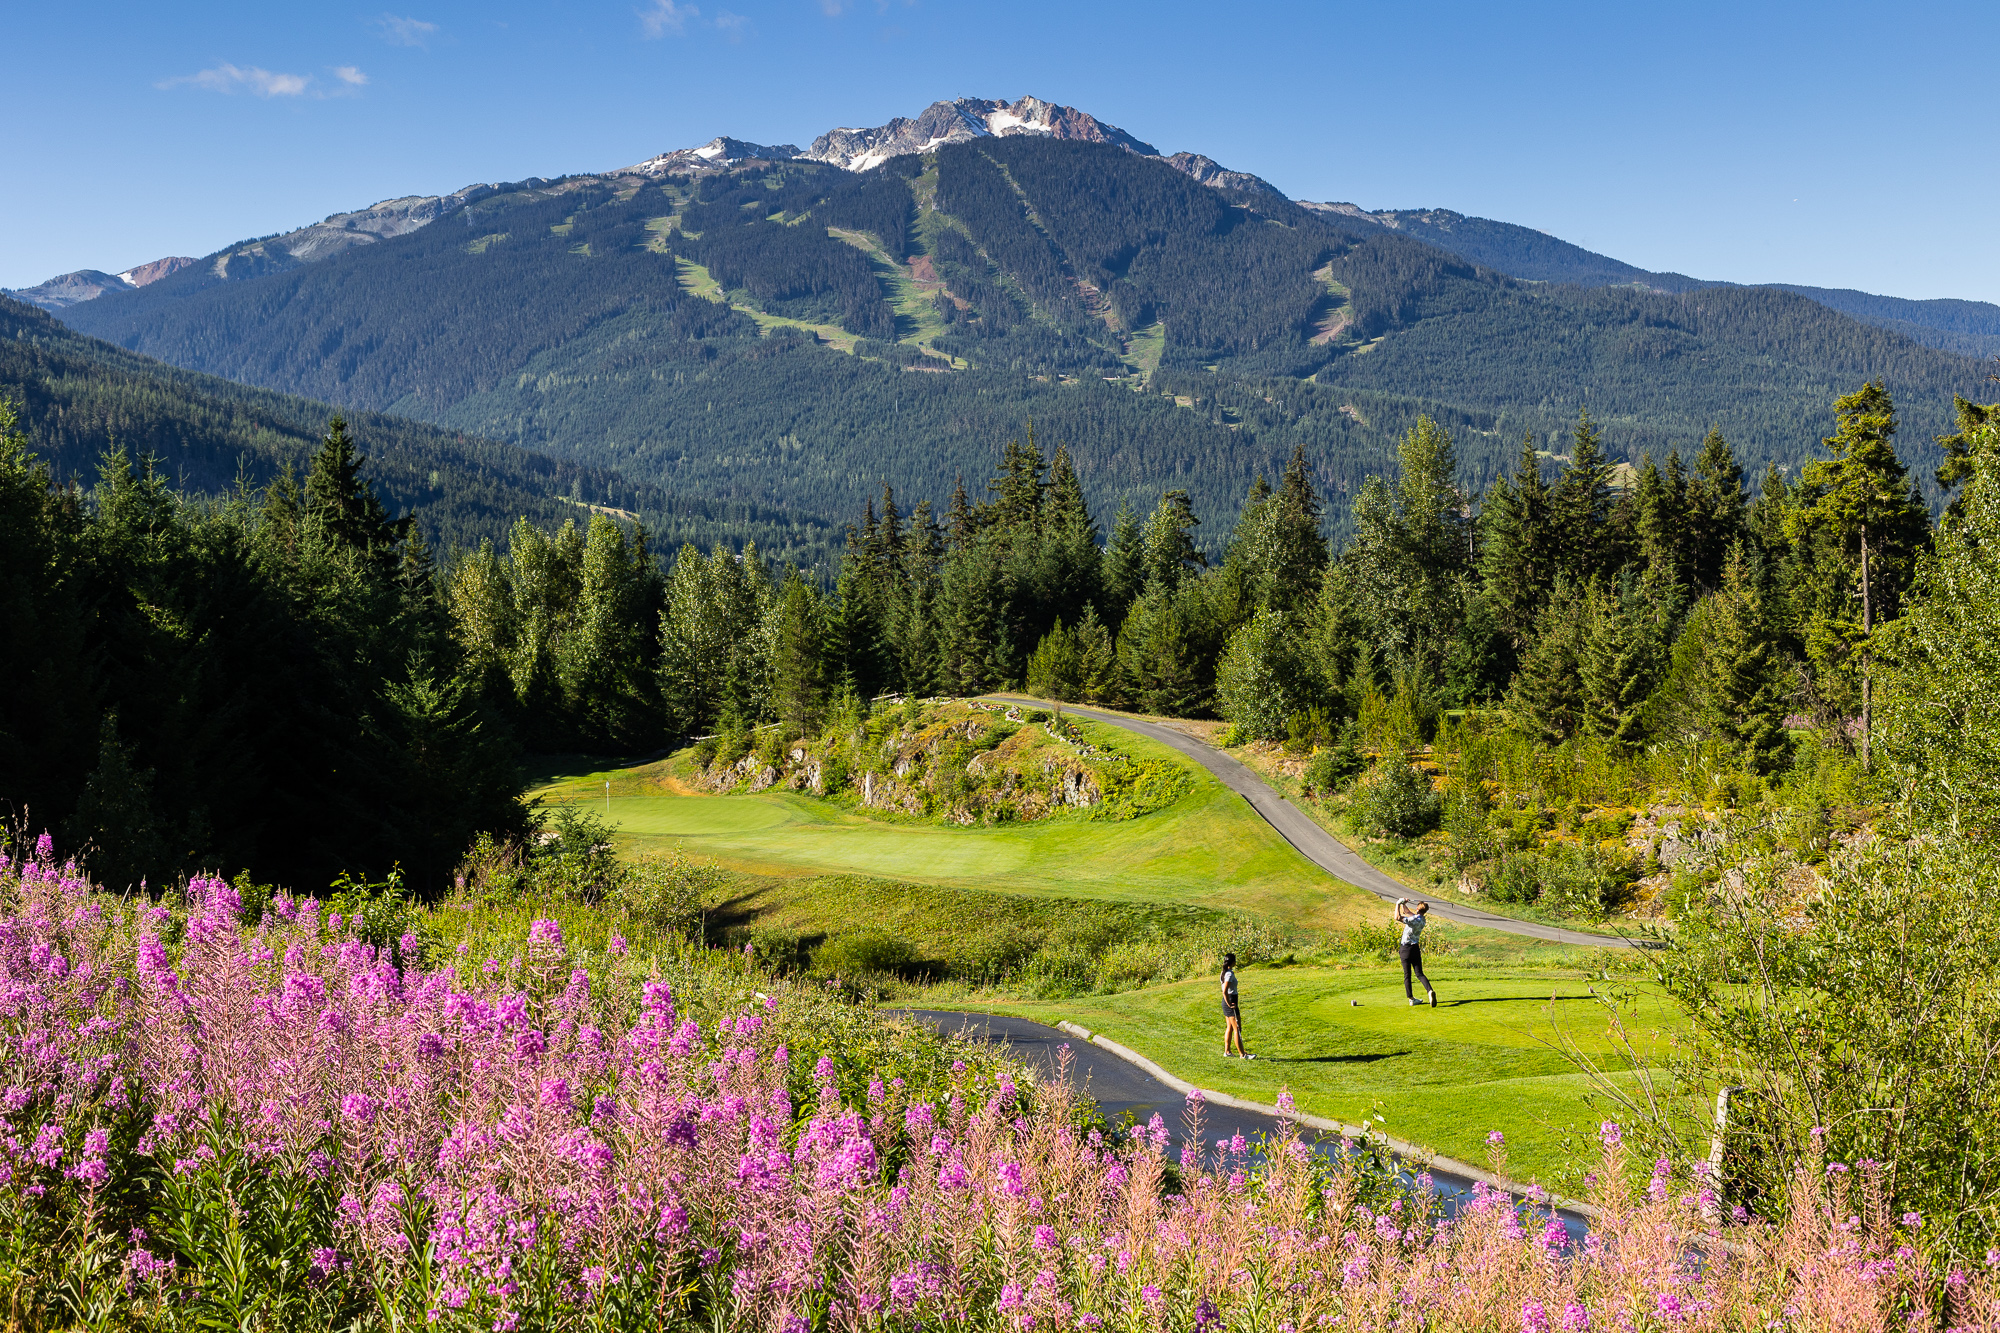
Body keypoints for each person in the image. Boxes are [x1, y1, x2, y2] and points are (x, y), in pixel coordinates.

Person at [1396, 898, 1437, 1007]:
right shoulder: (1422, 920)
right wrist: (1403, 903)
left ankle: (1411, 999)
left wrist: (1397, 904)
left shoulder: (1413, 920)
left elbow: (1398, 917)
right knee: (1419, 973)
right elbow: (1407, 912)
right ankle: (1429, 991)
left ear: (1418, 908)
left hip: (1405, 949)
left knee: (1407, 975)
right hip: (1415, 949)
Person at [1220, 953, 1253, 1058]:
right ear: (1233, 962)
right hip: (1231, 1001)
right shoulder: (1229, 974)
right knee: (1237, 1028)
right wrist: (1230, 1004)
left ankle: (1227, 1051)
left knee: (1229, 1027)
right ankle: (1242, 1054)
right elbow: (1225, 991)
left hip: (1227, 1001)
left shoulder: (1223, 972)